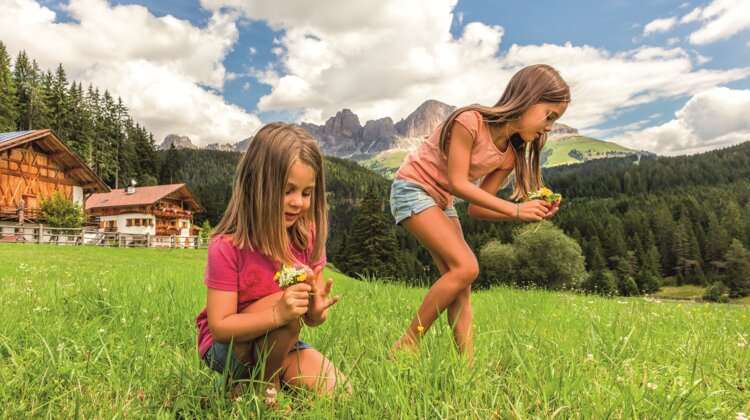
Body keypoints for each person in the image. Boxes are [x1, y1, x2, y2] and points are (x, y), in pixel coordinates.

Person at [389, 64, 570, 358]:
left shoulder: (509, 156)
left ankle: (466, 369)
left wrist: (529, 212)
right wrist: (516, 210)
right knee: (467, 267)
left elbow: (476, 208)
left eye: (555, 120)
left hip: (441, 202)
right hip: (412, 188)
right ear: (526, 98)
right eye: (549, 115)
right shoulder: (469, 121)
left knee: (461, 285)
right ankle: (407, 343)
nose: (549, 127)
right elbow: (458, 183)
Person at [195, 122, 346, 400]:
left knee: (340, 391)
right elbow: (220, 327)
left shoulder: (307, 234)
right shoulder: (227, 245)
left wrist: (316, 311)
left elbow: (310, 319)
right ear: (257, 185)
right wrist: (278, 315)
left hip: (281, 340)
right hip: (229, 348)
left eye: (306, 192)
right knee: (286, 305)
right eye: (287, 190)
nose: (297, 202)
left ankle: (244, 386)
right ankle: (265, 388)